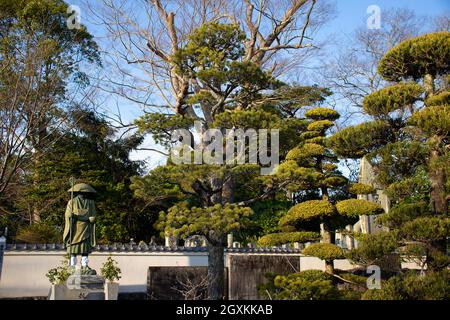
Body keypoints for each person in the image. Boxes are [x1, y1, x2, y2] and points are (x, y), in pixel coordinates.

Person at [63, 183, 97, 275]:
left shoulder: (91, 202)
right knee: (73, 247)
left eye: (85, 193)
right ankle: (72, 265)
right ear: (77, 192)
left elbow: (93, 215)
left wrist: (92, 218)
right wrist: (70, 216)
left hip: (86, 228)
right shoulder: (72, 202)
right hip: (75, 228)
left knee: (85, 249)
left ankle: (84, 264)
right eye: (81, 193)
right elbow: (68, 214)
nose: (83, 194)